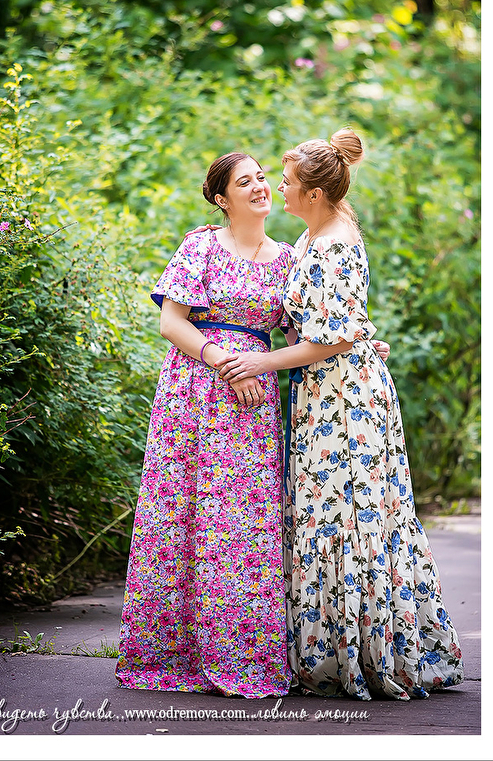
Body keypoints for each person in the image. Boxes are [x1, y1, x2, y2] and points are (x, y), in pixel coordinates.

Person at [215, 129, 465, 701]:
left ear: (315, 194)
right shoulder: (314, 235)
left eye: (286, 183)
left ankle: (364, 656)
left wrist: (264, 361)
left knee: (347, 515)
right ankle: (334, 651)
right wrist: (361, 340)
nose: (278, 189)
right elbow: (340, 319)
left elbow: (332, 336)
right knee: (328, 514)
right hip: (323, 392)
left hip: (343, 401)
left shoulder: (333, 244)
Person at [115, 152, 300, 698]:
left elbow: (303, 337)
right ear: (222, 198)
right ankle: (169, 653)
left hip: (251, 403)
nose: (260, 187)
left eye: (262, 177)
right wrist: (224, 362)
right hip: (193, 392)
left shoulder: (289, 260)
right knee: (181, 515)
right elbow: (171, 321)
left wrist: (359, 350)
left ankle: (241, 655)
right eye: (245, 182)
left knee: (242, 525)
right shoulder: (200, 246)